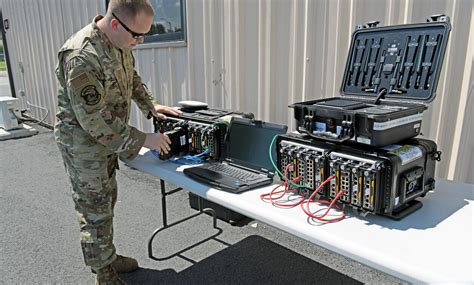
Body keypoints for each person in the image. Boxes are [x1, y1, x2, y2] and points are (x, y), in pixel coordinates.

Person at [54, 1, 181, 283]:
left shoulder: (119, 42)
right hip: (83, 144)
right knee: (94, 208)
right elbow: (94, 120)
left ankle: (107, 256)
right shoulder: (81, 56)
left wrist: (151, 106)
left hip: (108, 139)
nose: (140, 41)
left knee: (107, 200)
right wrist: (144, 139)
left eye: (145, 34)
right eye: (137, 35)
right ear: (115, 24)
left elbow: (131, 79)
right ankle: (103, 274)